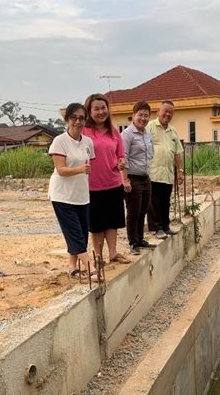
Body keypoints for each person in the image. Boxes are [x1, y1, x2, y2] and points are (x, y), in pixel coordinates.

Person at [48, 103, 97, 280]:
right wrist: (79, 170)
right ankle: (90, 268)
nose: (78, 121)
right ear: (67, 119)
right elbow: (60, 169)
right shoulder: (59, 141)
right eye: (74, 118)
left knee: (82, 233)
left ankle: (72, 268)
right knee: (74, 233)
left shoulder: (88, 142)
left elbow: (89, 163)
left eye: (81, 118)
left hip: (81, 195)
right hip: (62, 196)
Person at [82, 93, 130, 265]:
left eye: (103, 108)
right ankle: (98, 257)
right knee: (96, 224)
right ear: (89, 111)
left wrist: (121, 162)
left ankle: (113, 253)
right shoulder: (84, 132)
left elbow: (120, 155)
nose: (101, 112)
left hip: (113, 183)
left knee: (112, 221)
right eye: (96, 108)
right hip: (91, 186)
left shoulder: (114, 131)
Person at [147, 100, 184, 239]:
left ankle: (165, 226)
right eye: (165, 111)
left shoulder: (172, 130)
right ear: (158, 112)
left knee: (165, 201)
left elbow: (177, 153)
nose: (167, 114)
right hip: (153, 172)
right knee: (153, 201)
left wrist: (180, 171)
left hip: (167, 172)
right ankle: (156, 228)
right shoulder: (149, 127)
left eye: (170, 112)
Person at [121, 101, 154, 255]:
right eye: (140, 115)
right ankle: (133, 242)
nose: (143, 118)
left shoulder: (147, 133)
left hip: (145, 177)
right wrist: (125, 180)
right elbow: (123, 158)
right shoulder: (127, 135)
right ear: (133, 116)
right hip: (133, 178)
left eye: (146, 115)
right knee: (133, 211)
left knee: (143, 210)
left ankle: (140, 238)